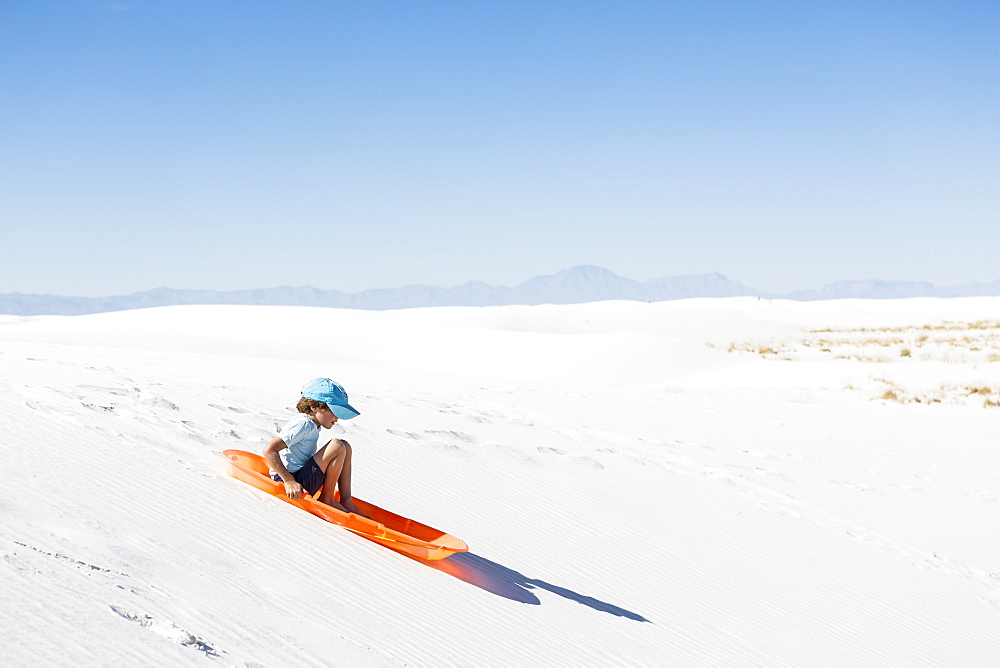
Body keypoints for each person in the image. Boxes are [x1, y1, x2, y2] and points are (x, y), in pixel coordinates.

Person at [262, 378, 364, 516]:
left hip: (301, 476)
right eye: (333, 411)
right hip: (292, 481)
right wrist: (289, 481)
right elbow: (269, 450)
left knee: (345, 446)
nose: (337, 418)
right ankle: (327, 499)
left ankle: (346, 500)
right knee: (337, 445)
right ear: (314, 407)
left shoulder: (313, 423)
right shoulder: (303, 424)